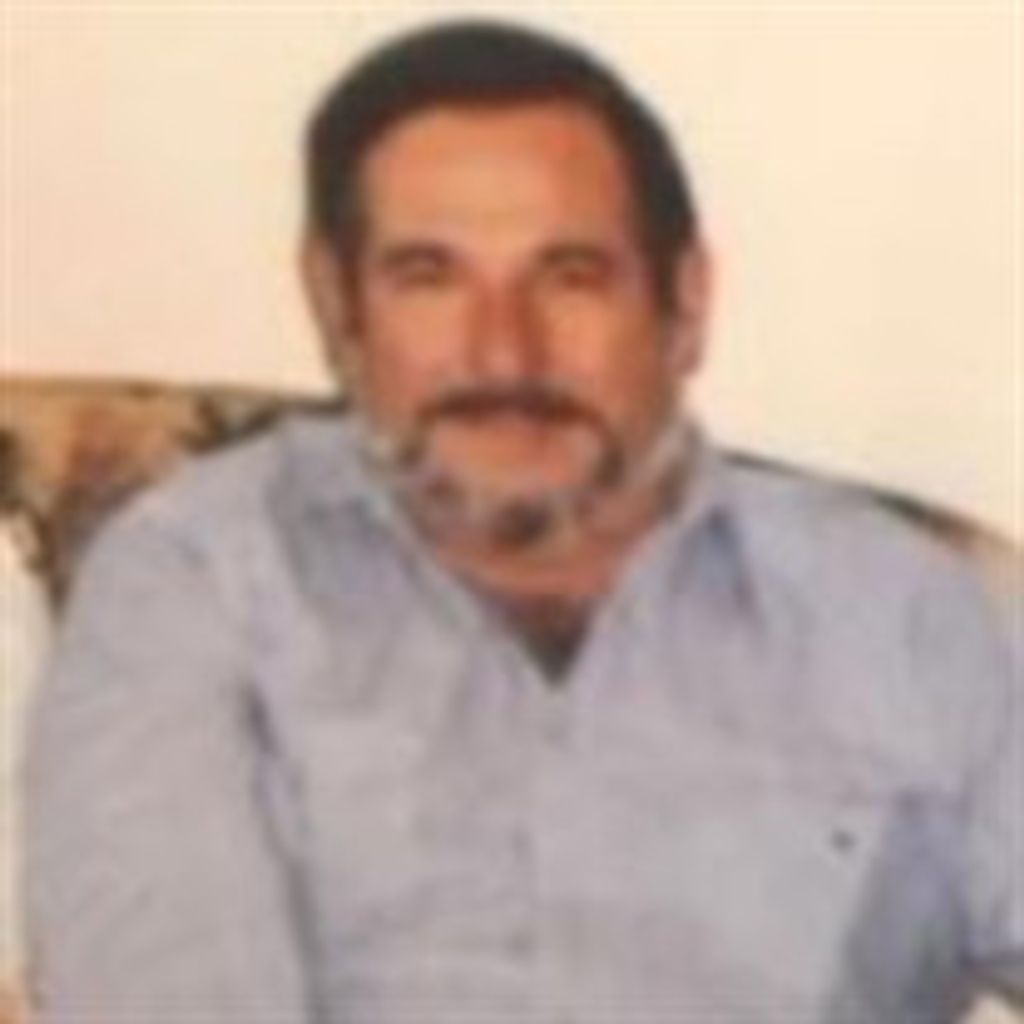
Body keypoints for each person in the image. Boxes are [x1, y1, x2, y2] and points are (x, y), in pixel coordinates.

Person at [26, 19, 1021, 1023]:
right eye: (429, 277)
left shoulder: (901, 614)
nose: (503, 352)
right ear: (338, 308)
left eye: (570, 276)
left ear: (684, 305)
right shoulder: (203, 581)